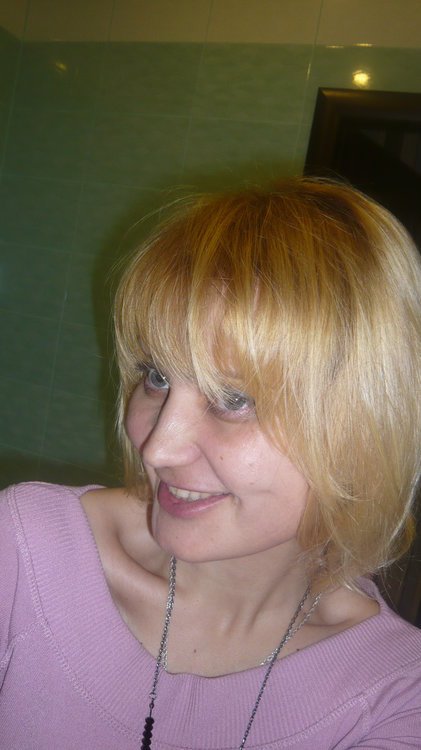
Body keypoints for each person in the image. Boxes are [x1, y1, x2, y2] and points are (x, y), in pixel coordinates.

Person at [1, 177, 420, 750]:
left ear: (364, 425)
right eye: (156, 377)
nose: (158, 448)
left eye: (234, 399)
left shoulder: (392, 699)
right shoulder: (28, 555)